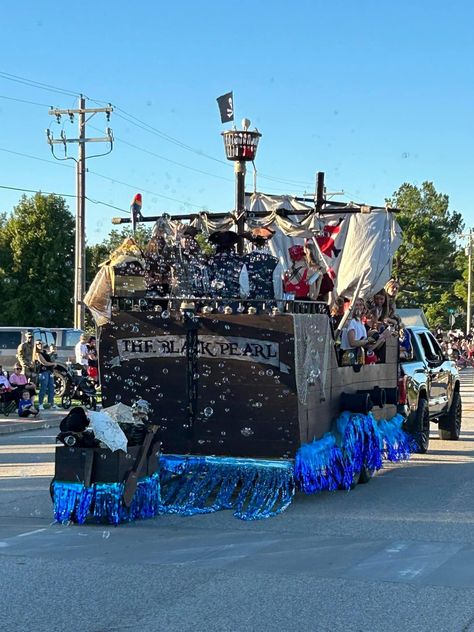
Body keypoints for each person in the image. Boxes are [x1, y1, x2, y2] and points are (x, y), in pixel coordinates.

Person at [34, 341, 57, 410]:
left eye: (41, 343)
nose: (40, 345)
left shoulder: (45, 352)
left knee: (51, 388)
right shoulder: (37, 353)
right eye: (38, 344)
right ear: (36, 345)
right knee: (43, 387)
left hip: (50, 371)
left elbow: (49, 359)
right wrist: (53, 364)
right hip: (43, 371)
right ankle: (40, 404)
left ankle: (51, 403)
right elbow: (44, 363)